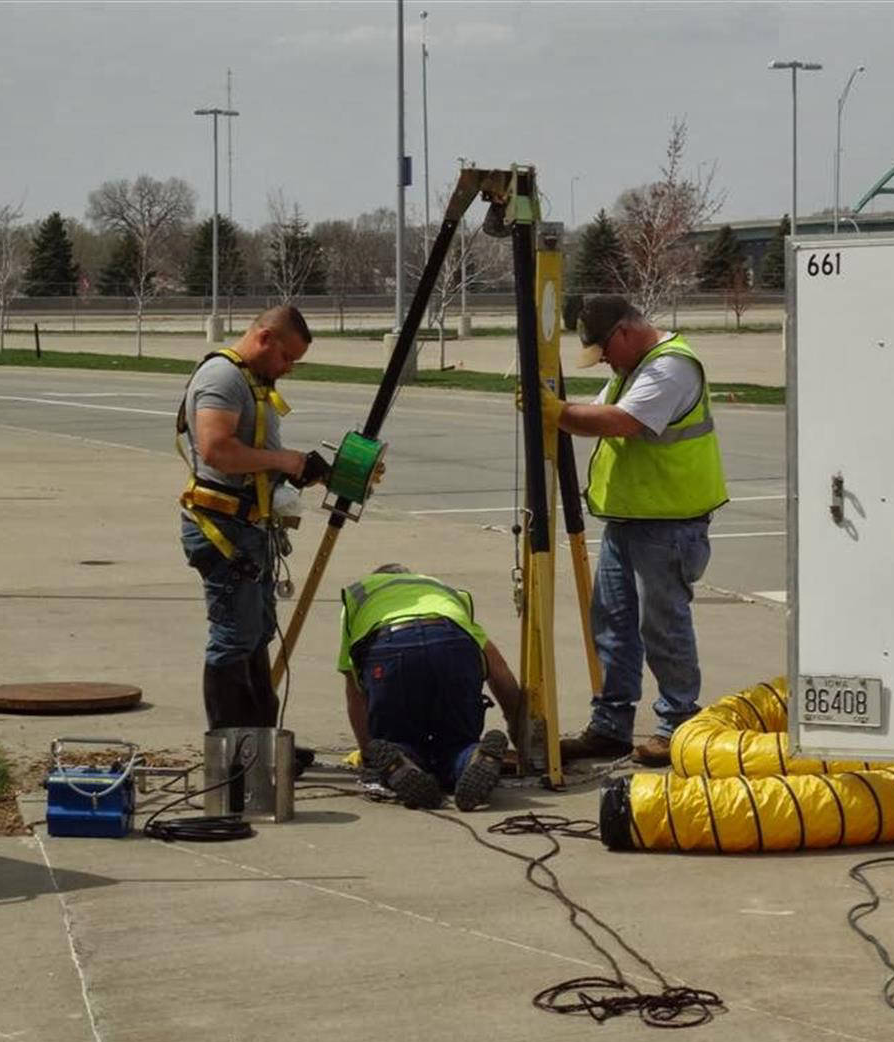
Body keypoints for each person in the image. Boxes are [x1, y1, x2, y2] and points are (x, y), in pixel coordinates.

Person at [537, 294, 728, 767]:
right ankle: (610, 725)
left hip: (668, 523)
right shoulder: (631, 370)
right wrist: (561, 408)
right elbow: (598, 412)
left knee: (662, 626)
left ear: (624, 332)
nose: (603, 361)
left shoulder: (670, 368)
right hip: (630, 520)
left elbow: (620, 422)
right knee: (613, 623)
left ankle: (679, 723)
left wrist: (555, 412)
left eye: (604, 349)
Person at [178, 305, 327, 739]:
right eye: (287, 358)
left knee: (256, 631)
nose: (288, 369)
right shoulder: (223, 378)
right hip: (224, 529)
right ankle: (232, 755)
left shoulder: (252, 382)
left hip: (249, 529)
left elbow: (250, 453)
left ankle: (260, 743)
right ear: (265, 339)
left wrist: (300, 470)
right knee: (234, 636)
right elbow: (217, 449)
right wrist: (284, 460)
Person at [339, 564, 522, 811]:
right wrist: (518, 727)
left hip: (390, 648)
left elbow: (355, 690)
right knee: (457, 742)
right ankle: (473, 757)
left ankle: (399, 760)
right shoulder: (443, 592)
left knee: (399, 739)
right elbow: (498, 670)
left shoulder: (359, 595)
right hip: (452, 642)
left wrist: (369, 753)